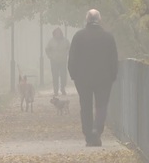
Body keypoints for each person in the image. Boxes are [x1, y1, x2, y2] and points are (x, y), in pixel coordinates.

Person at [68, 9, 118, 147]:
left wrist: (73, 74)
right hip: (104, 78)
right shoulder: (108, 37)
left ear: (87, 19)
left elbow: (72, 58)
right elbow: (113, 59)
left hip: (83, 78)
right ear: (99, 19)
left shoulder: (78, 36)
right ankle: (97, 130)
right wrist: (113, 75)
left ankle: (88, 134)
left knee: (85, 106)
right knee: (101, 106)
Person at [45, 27, 70, 96]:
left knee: (63, 75)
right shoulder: (51, 41)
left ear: (61, 33)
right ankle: (55, 90)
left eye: (59, 33)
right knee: (55, 76)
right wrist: (50, 56)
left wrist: (67, 53)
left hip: (63, 61)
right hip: (54, 61)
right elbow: (47, 49)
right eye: (56, 33)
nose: (57, 34)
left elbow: (69, 48)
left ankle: (63, 88)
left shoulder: (65, 40)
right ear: (54, 34)